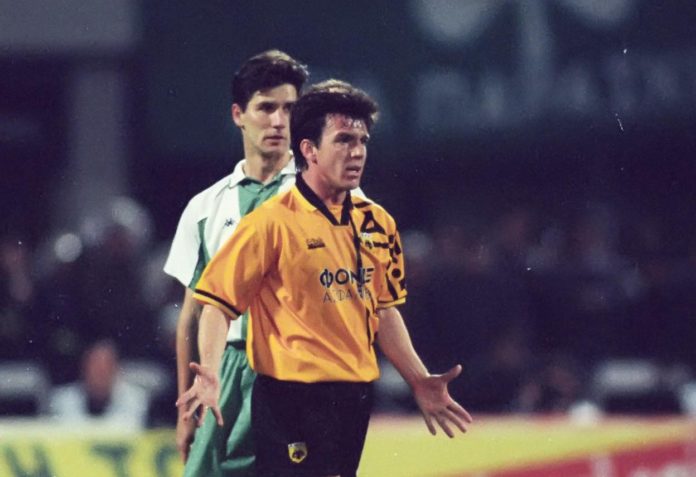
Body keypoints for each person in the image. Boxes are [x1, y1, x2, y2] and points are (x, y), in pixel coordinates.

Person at [178, 80, 472, 477]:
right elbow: (216, 304)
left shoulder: (379, 223)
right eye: (344, 140)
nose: (357, 152)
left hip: (353, 397)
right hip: (290, 399)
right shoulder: (270, 223)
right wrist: (210, 373)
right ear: (309, 150)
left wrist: (418, 378)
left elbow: (383, 312)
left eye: (362, 141)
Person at [163, 50, 309, 476]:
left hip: (299, 372)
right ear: (238, 115)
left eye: (289, 109)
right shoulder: (205, 208)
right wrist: (184, 411)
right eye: (266, 108)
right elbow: (191, 316)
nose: (279, 121)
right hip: (225, 372)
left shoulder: (329, 197)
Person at [49, 339, 149, 429]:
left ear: (116, 370)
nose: (99, 374)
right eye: (94, 368)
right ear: (83, 370)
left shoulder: (137, 400)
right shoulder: (61, 400)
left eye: (105, 368)